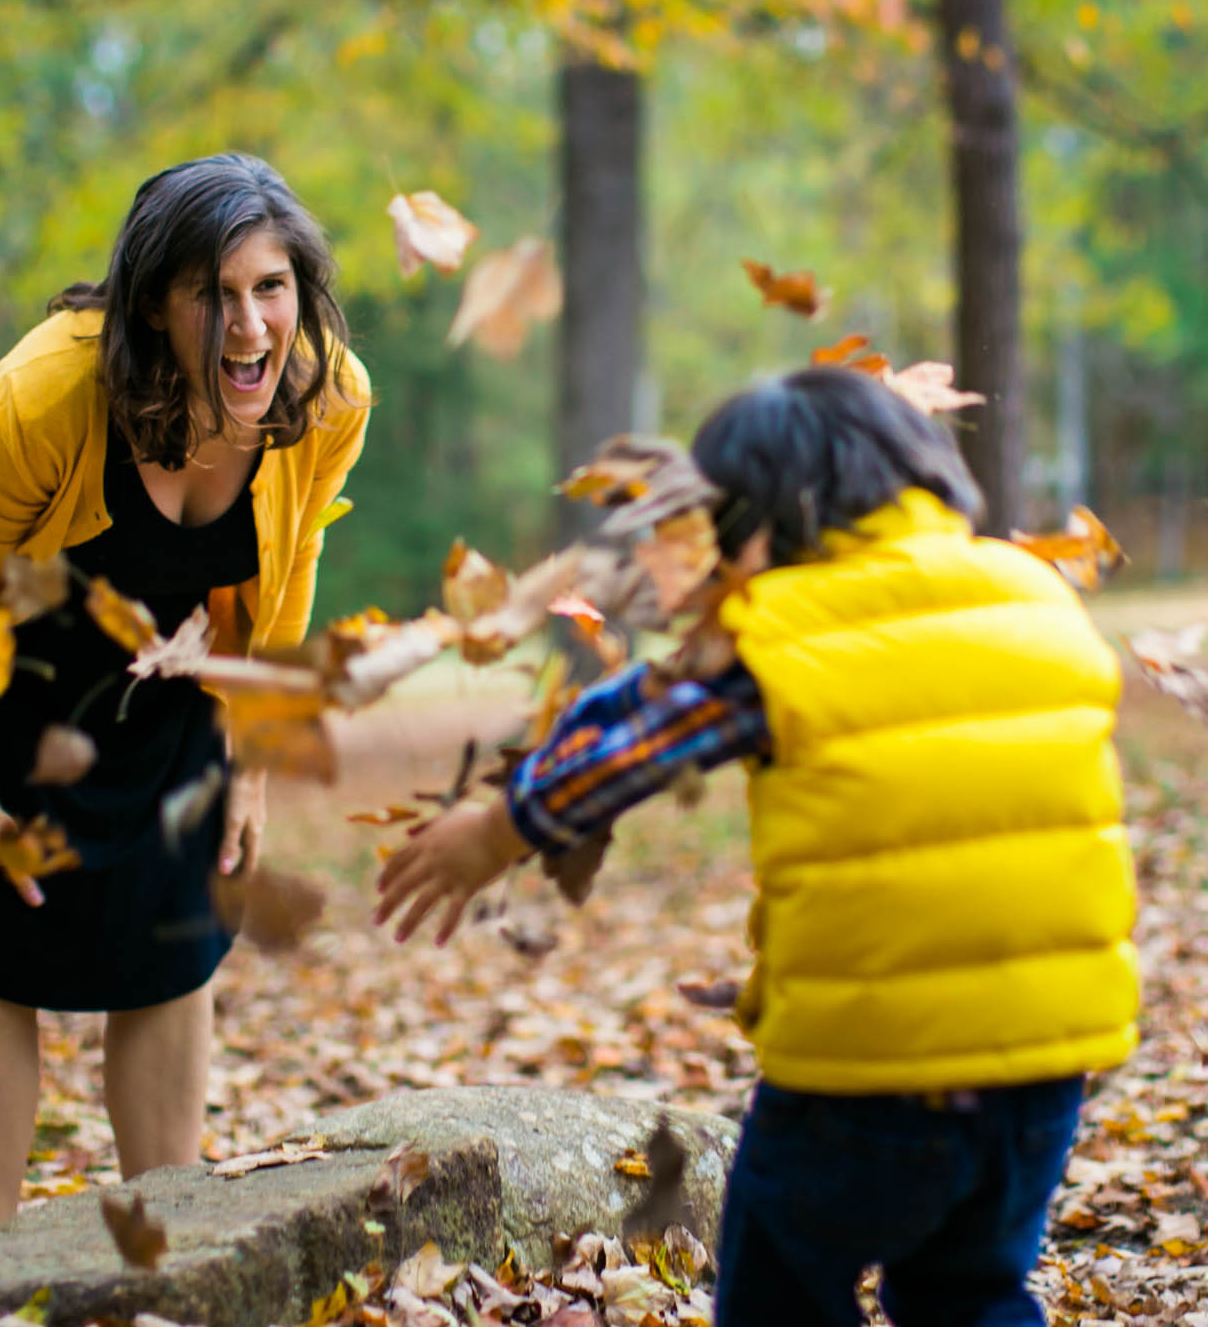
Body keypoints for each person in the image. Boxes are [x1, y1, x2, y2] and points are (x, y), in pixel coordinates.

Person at [374, 365, 1136, 1327]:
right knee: (970, 1291)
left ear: (753, 521)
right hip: (1045, 1061)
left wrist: (502, 826)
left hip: (869, 1072)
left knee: (781, 1281)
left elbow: (645, 739)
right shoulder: (1030, 590)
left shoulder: (786, 626)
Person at [0, 153, 369, 1229]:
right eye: (212, 293)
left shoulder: (326, 397)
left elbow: (290, 571)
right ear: (153, 300)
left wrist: (250, 763)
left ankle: (169, 1243)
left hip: (174, 646)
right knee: (0, 931)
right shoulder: (42, 398)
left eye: (269, 288)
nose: (247, 327)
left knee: (174, 926)